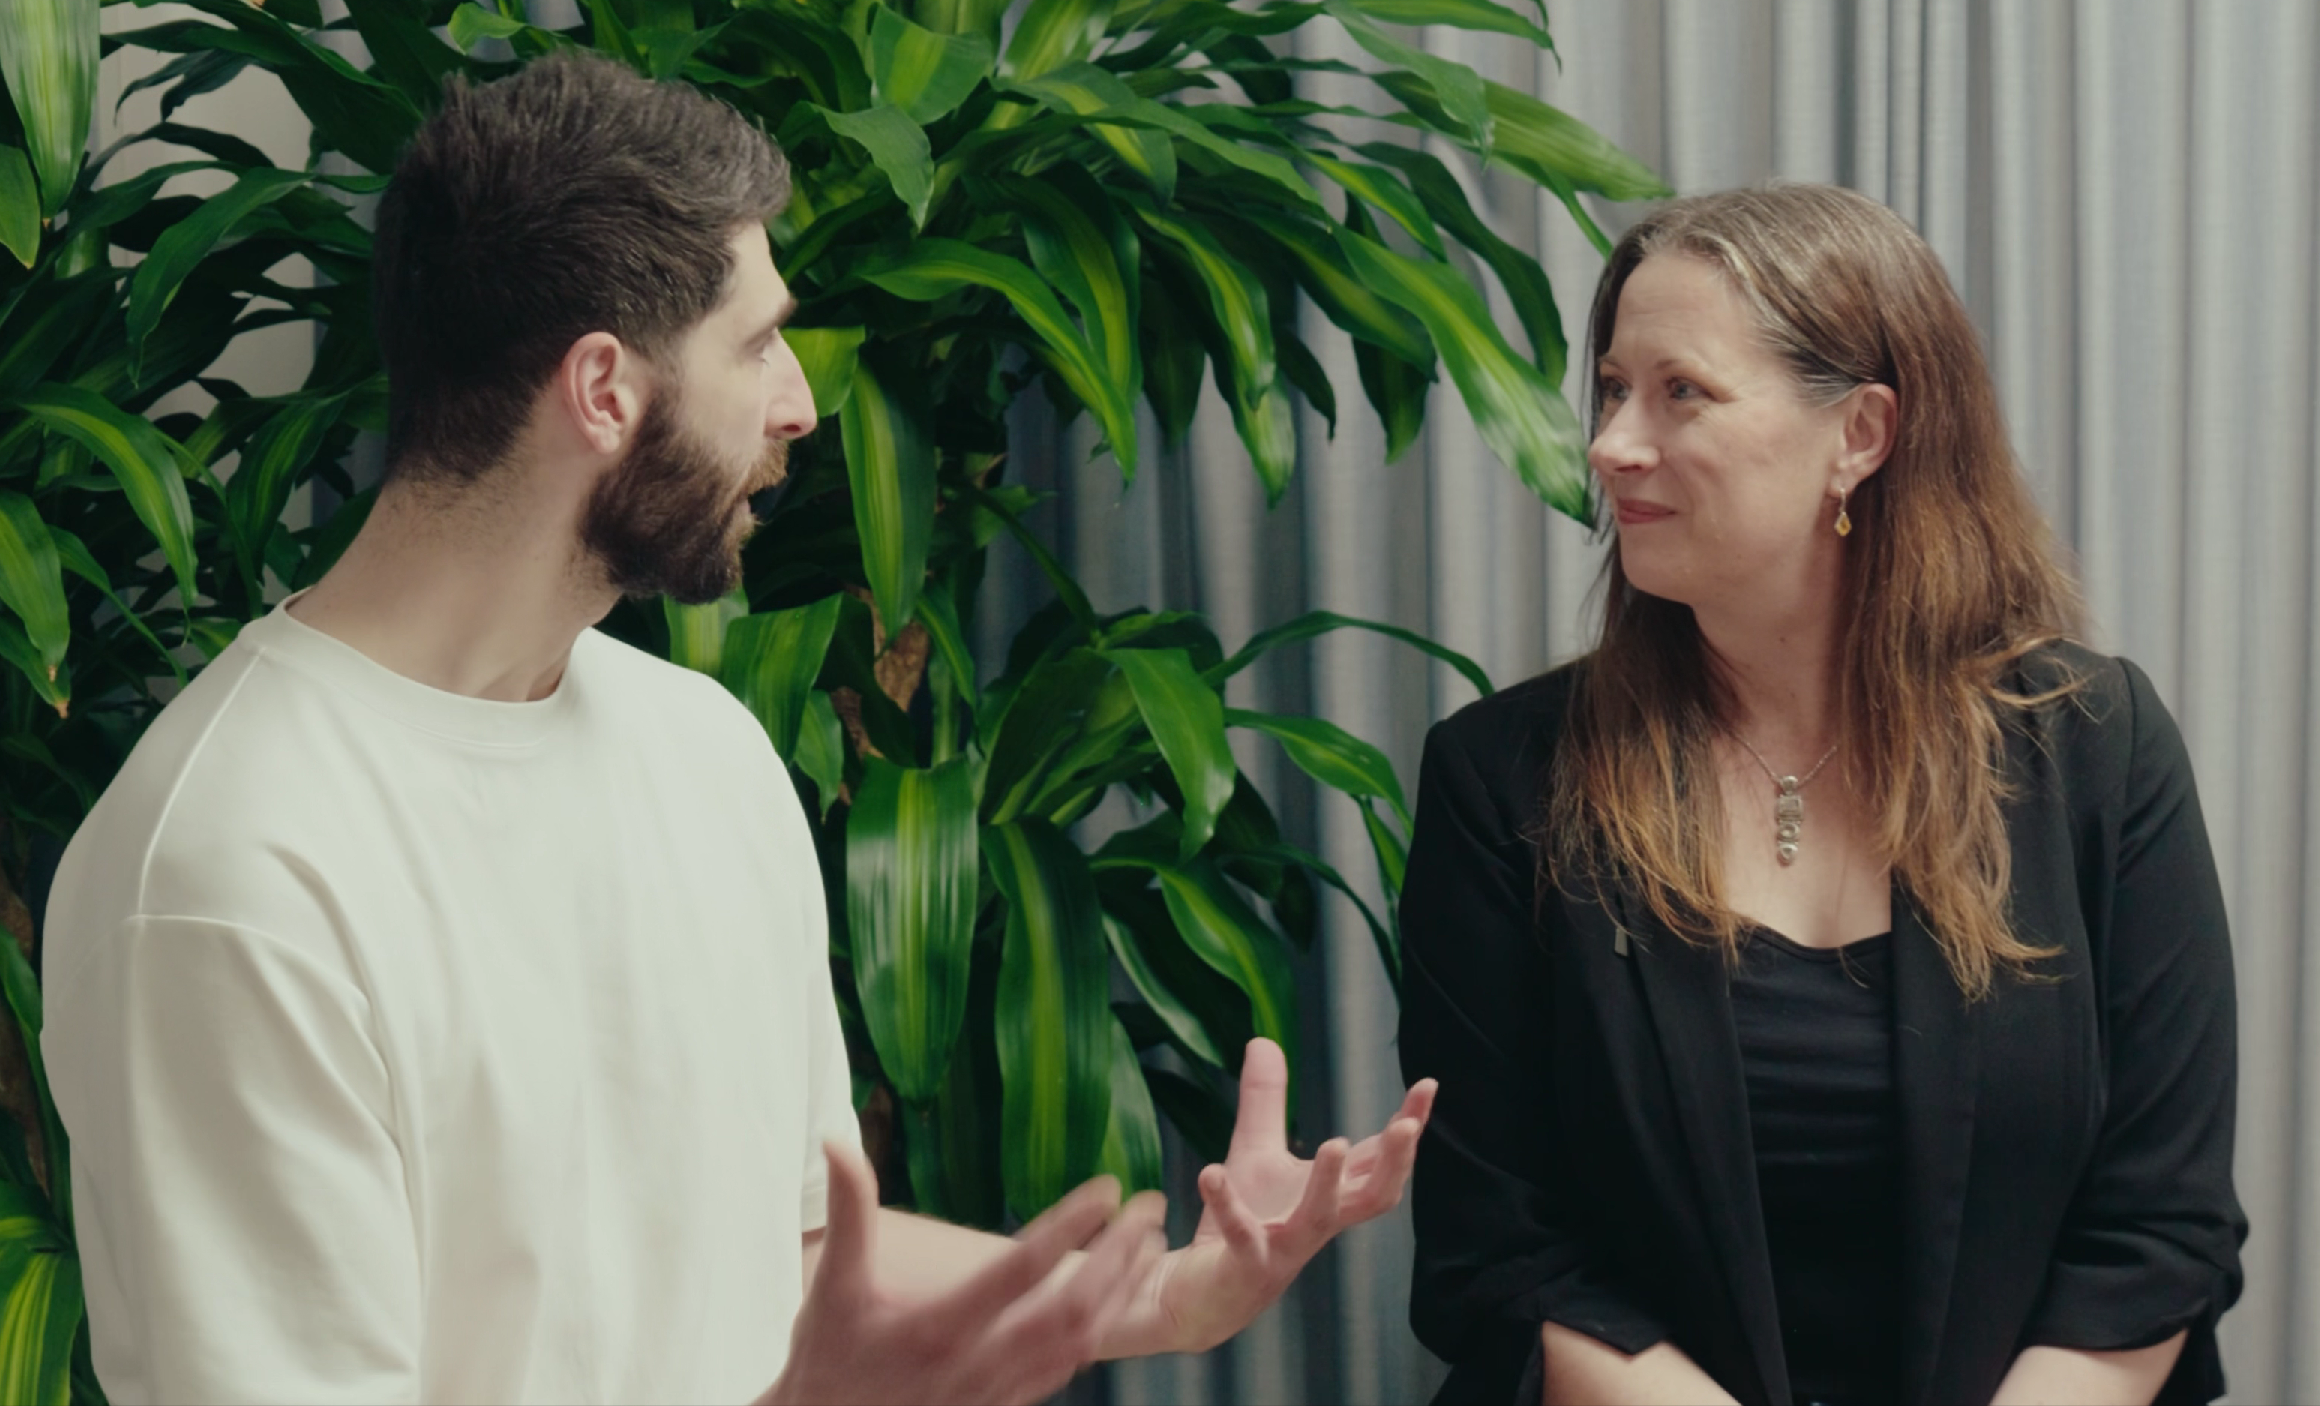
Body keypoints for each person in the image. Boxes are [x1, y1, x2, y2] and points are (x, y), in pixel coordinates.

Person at [41, 53, 1434, 1406]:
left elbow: (795, 1248)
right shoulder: (229, 876)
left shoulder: (702, 748)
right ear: (604, 390)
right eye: (758, 342)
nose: (801, 404)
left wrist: (1171, 1296)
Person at [1397, 183, 2243, 1406]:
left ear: (1859, 432)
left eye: (1680, 391)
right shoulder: (1503, 779)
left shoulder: (2093, 748)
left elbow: (2159, 1229)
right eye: (1614, 388)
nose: (1610, 443)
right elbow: (1497, 1252)